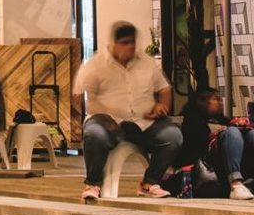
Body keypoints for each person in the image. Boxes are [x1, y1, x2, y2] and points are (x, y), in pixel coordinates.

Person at [75, 21, 182, 201]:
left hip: (143, 121)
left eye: (132, 42)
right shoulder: (96, 64)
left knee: (172, 136)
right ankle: (93, 183)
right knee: (94, 133)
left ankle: (150, 181)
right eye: (125, 43)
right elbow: (78, 94)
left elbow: (164, 89)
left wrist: (161, 106)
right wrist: (97, 109)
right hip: (108, 120)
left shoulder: (147, 63)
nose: (130, 47)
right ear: (114, 44)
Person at [172, 88, 254, 200]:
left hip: (235, 158)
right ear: (201, 102)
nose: (221, 103)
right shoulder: (192, 121)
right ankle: (236, 184)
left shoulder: (223, 119)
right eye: (216, 99)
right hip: (209, 163)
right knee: (232, 132)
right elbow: (194, 151)